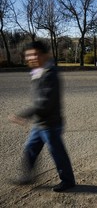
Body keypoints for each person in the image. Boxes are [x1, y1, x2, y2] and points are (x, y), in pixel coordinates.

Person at [9, 40, 75, 192]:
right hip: (40, 123)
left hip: (51, 124)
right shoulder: (37, 72)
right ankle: (27, 177)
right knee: (30, 149)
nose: (31, 58)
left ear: (46, 55)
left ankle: (68, 181)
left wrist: (25, 115)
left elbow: (45, 101)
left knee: (57, 153)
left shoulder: (50, 74)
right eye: (28, 55)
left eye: (35, 54)